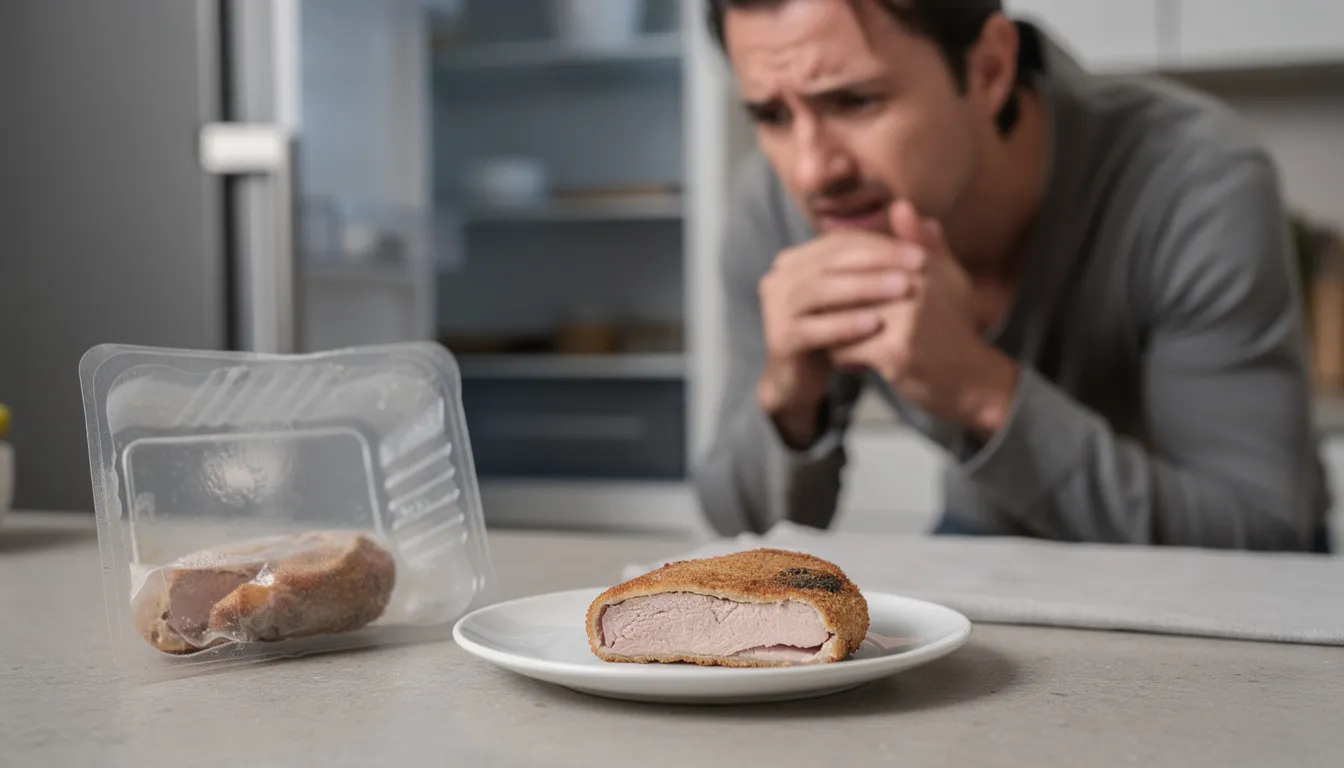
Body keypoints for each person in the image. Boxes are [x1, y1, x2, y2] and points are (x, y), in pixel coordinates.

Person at [692, 0, 1334, 553]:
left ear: (990, 68)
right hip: (989, 540)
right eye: (771, 116)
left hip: (1201, 571)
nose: (811, 173)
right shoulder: (777, 211)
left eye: (855, 101)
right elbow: (741, 541)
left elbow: (1259, 539)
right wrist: (786, 402)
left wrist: (979, 390)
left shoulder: (1196, 179)